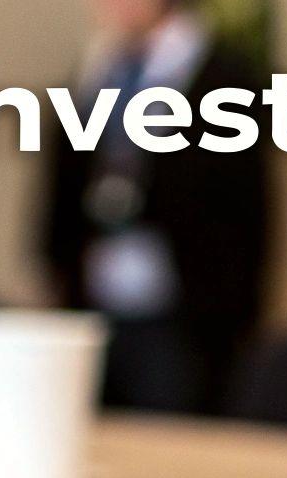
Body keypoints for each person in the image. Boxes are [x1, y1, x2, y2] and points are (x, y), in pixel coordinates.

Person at [39, 0, 270, 413]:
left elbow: (245, 212)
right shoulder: (98, 69)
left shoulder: (221, 75)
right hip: (97, 300)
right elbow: (64, 183)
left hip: (185, 313)